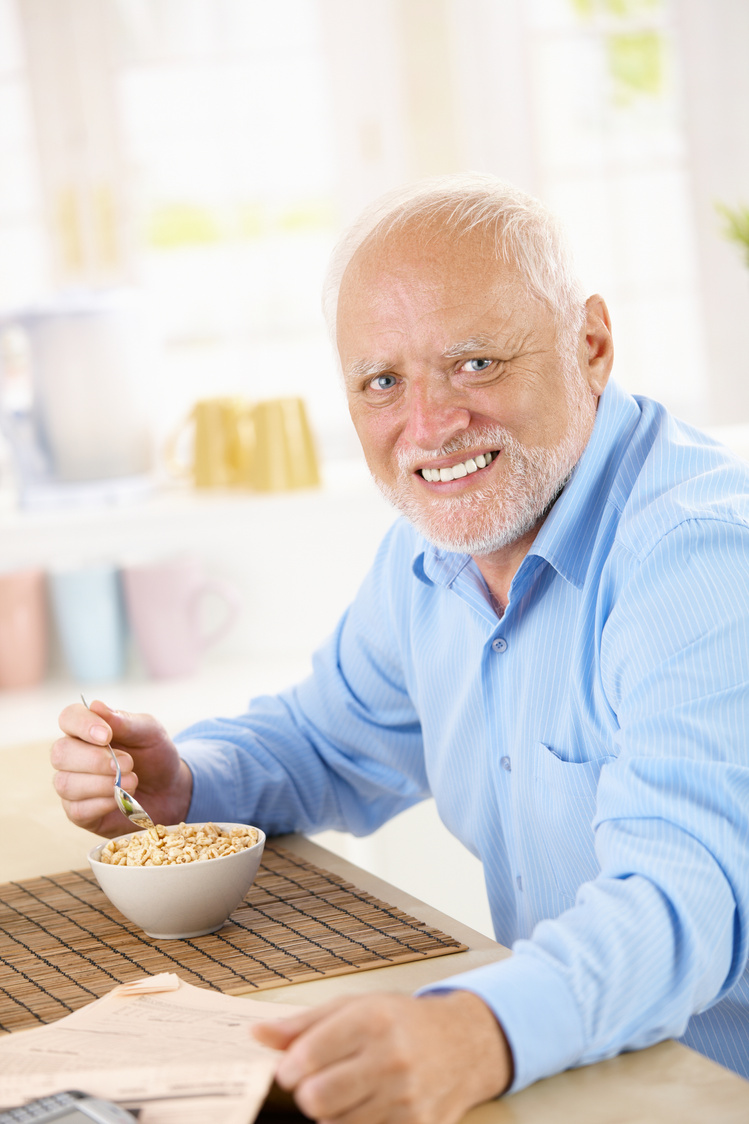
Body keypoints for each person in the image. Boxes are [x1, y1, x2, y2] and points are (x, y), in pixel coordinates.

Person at [52, 174, 749, 1123]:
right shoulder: (434, 548)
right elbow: (326, 739)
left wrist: (472, 1030)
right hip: (576, 1073)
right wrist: (183, 781)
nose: (427, 428)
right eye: (383, 382)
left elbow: (687, 899)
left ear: (589, 343)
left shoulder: (699, 558)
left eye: (474, 363)